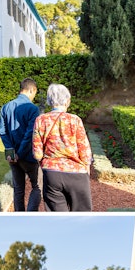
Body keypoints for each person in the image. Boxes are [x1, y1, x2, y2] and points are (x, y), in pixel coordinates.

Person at [32, 83, 93, 211]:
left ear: (50, 101)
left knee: (58, 220)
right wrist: (86, 170)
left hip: (52, 174)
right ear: (67, 101)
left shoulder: (40, 120)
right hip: (77, 175)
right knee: (82, 219)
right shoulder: (75, 120)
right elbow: (85, 152)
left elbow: (37, 154)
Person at [0, 77, 42, 212]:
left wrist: (11, 152)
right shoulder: (33, 109)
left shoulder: (5, 107)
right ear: (31, 90)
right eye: (35, 93)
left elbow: (2, 132)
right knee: (37, 187)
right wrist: (20, 153)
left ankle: (19, 216)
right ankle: (29, 216)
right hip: (28, 156)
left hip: (13, 157)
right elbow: (30, 134)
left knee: (18, 189)